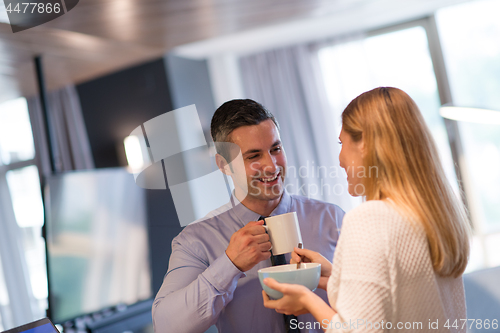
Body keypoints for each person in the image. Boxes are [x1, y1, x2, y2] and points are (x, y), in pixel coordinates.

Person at [262, 87, 471, 332]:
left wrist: (308, 300)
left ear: (366, 145)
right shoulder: (434, 216)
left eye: (342, 143)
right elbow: (400, 298)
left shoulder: (370, 218)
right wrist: (336, 275)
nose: (339, 160)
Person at [152, 99, 345, 333]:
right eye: (253, 156)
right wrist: (229, 264)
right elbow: (165, 326)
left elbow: (371, 303)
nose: (271, 166)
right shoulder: (196, 240)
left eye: (275, 149)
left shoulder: (332, 218)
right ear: (224, 164)